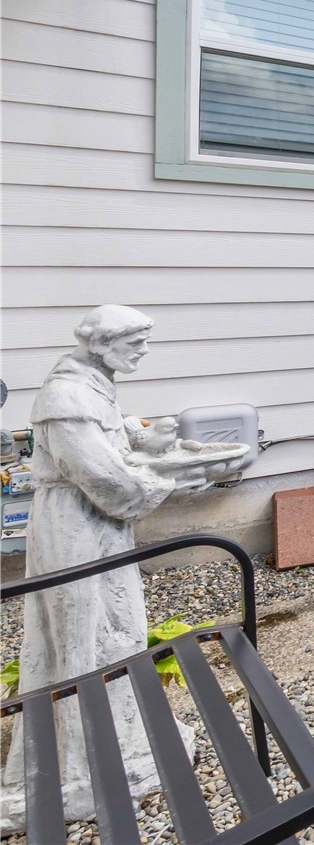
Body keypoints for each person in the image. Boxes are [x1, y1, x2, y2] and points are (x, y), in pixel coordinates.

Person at [0, 306, 210, 829]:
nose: (142, 352)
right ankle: (79, 761)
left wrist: (151, 443)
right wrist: (175, 482)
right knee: (79, 634)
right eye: (135, 343)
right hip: (75, 528)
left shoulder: (94, 382)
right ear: (102, 342)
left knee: (117, 627)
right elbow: (104, 479)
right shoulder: (65, 397)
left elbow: (111, 447)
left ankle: (122, 733)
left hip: (99, 526)